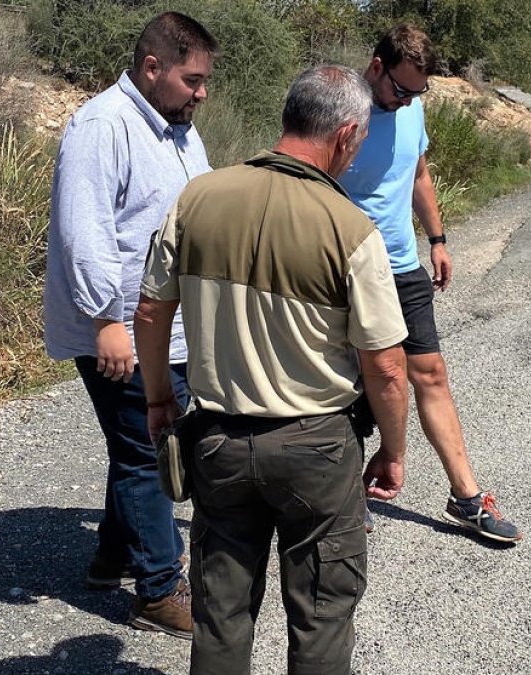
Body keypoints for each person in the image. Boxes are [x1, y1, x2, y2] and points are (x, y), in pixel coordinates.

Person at [134, 65, 410, 675]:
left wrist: (159, 400)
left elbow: (151, 312)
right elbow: (387, 366)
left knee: (221, 614)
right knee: (321, 614)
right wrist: (393, 449)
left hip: (217, 440)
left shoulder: (198, 197)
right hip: (315, 446)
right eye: (359, 142)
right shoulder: (350, 229)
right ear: (345, 135)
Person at [41, 12, 217, 638]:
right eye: (192, 80)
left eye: (204, 81)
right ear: (152, 68)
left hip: (167, 325)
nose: (201, 93)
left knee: (139, 443)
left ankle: (112, 555)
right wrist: (106, 321)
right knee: (149, 451)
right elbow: (81, 233)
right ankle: (157, 589)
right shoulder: (101, 126)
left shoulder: (176, 131)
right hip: (121, 327)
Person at [339, 24, 524, 544]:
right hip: (346, 270)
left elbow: (418, 173)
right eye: (401, 89)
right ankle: (346, 493)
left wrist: (437, 239)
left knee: (431, 374)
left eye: (418, 92)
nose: (407, 100)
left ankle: (467, 498)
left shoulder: (410, 105)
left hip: (402, 265)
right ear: (376, 67)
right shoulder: (340, 111)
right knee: (353, 382)